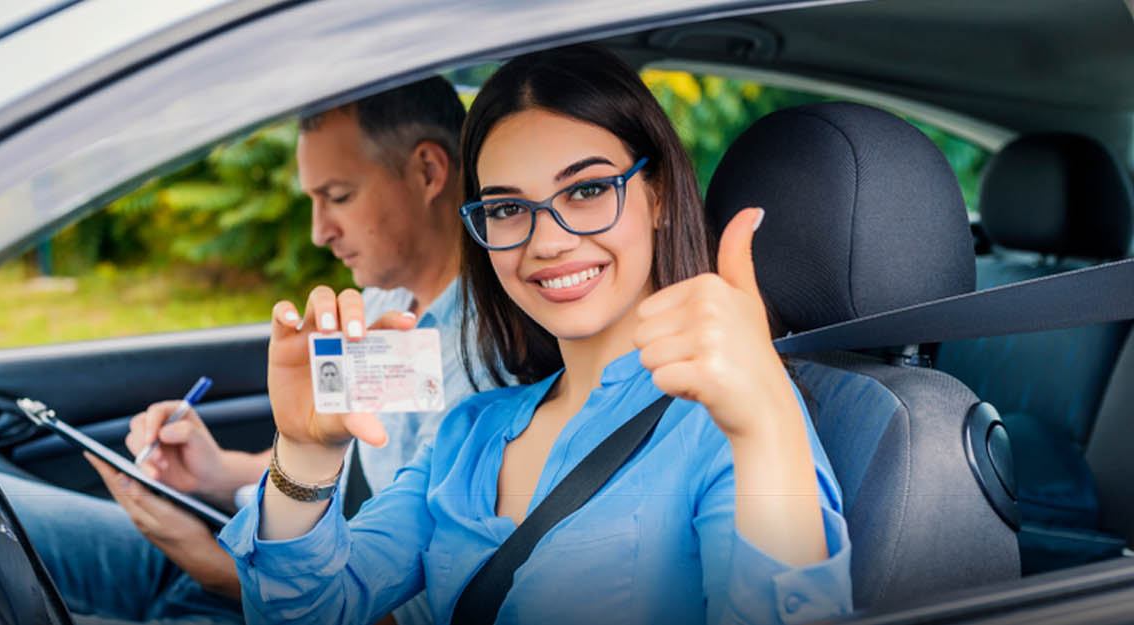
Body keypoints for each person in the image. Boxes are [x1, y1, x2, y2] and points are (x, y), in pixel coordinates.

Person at [217, 45, 853, 625]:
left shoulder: (734, 423)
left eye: (587, 190)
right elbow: (308, 612)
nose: (546, 242)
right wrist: (303, 452)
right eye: (507, 208)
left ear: (656, 194)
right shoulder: (468, 434)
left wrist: (766, 419)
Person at [0, 75, 489, 625]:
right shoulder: (386, 303)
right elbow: (344, 468)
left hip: (270, 596)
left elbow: (415, 611)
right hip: (257, 560)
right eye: (314, 200)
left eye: (339, 197)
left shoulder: (483, 370)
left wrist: (212, 568)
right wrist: (213, 472)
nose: (319, 232)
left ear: (428, 171)